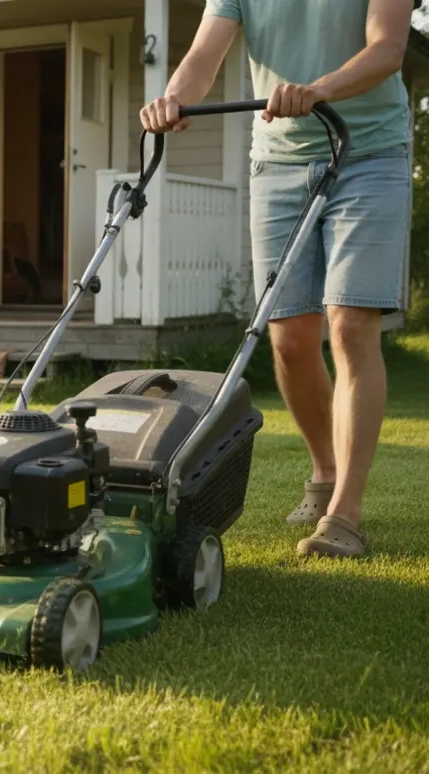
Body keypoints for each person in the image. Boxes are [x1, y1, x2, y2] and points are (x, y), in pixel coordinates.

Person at [140, 0, 418, 558]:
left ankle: (346, 511)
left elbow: (387, 49)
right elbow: (203, 55)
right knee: (289, 339)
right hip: (280, 161)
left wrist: (319, 89)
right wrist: (175, 97)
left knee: (348, 325)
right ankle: (323, 472)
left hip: (369, 154)